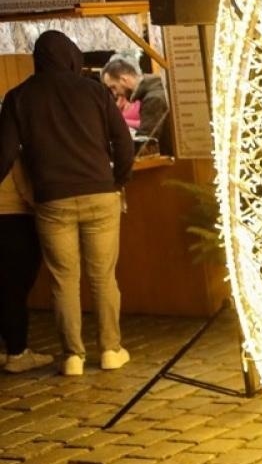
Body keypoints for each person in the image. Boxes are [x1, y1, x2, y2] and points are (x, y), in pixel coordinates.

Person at [0, 30, 135, 376]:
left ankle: (72, 357)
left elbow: (3, 154)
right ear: (72, 56)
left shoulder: (18, 97)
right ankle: (110, 349)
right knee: (103, 277)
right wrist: (117, 180)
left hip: (52, 200)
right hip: (100, 194)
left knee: (64, 280)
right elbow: (123, 141)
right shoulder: (94, 91)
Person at [0, 95, 52, 375]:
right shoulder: (7, 141)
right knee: (15, 288)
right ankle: (17, 352)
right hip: (13, 218)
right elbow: (22, 184)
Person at [101, 57, 171, 156]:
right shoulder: (155, 88)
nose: (115, 93)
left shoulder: (153, 98)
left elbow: (145, 141)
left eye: (113, 87)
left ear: (124, 79)